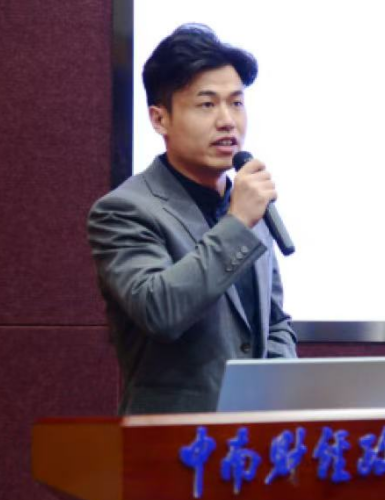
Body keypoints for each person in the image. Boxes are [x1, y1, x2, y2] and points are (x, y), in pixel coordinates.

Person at [87, 24, 297, 414]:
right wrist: (236, 224)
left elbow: (274, 321)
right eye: (207, 104)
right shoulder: (123, 211)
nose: (228, 121)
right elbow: (160, 311)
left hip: (254, 437)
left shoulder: (248, 201)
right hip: (170, 438)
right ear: (159, 119)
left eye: (236, 103)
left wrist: (278, 394)